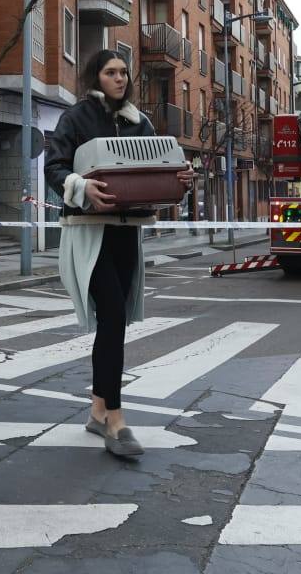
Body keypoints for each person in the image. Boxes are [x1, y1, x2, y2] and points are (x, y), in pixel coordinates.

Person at [43, 50, 194, 458]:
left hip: (128, 233)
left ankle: (96, 412)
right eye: (111, 72)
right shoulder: (74, 118)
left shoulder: (139, 122)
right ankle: (116, 419)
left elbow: (158, 168)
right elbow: (53, 167)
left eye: (124, 72)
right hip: (89, 233)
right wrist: (81, 187)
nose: (120, 78)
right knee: (112, 317)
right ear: (96, 75)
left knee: (117, 322)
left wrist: (182, 179)